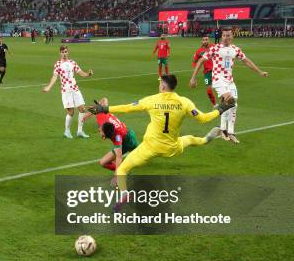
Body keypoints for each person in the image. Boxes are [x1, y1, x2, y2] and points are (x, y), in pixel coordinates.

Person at [88, 74, 234, 194]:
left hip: (150, 147)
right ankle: (206, 139)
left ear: (163, 86)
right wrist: (220, 110)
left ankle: (124, 195)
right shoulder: (184, 102)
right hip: (172, 147)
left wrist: (105, 109)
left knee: (122, 169)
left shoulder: (152, 100)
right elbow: (203, 118)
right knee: (189, 139)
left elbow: (127, 108)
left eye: (160, 84)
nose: (159, 86)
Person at [190, 29, 268, 144]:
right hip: (218, 79)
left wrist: (259, 72)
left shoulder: (235, 49)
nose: (226, 37)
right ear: (221, 37)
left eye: (229, 35)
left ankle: (228, 132)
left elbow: (246, 61)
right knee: (229, 100)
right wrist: (193, 77)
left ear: (232, 37)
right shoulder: (215, 48)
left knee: (233, 105)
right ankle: (223, 130)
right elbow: (201, 60)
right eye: (224, 35)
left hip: (230, 81)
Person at [42, 45, 94, 139]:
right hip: (66, 90)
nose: (64, 54)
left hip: (75, 88)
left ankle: (80, 131)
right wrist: (49, 87)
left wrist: (88, 74)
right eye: (62, 52)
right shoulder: (58, 64)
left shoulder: (72, 62)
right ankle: (67, 131)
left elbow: (81, 73)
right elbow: (54, 76)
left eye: (66, 52)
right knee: (71, 112)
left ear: (68, 52)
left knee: (82, 109)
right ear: (60, 53)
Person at [81, 97, 139, 172]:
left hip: (128, 140)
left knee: (103, 162)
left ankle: (124, 171)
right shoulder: (101, 116)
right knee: (139, 156)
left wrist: (118, 175)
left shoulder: (117, 137)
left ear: (106, 135)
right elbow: (104, 100)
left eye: (101, 131)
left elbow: (119, 156)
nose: (99, 130)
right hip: (128, 133)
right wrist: (89, 113)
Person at [191, 35, 216, 105]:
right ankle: (214, 105)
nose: (205, 41)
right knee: (209, 91)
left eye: (206, 39)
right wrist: (194, 77)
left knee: (221, 88)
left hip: (216, 71)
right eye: (203, 40)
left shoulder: (214, 47)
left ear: (209, 40)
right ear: (202, 41)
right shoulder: (199, 51)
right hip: (207, 73)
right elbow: (194, 61)